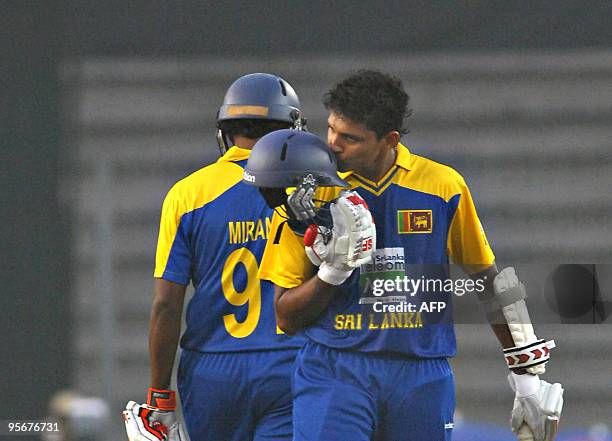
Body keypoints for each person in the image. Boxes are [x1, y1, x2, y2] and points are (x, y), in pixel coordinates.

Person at [248, 70, 564, 441]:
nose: (333, 144)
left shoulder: (443, 186)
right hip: (335, 370)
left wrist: (526, 377)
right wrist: (332, 272)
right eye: (332, 129)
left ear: (389, 139)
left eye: (350, 137)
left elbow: (490, 281)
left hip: (421, 375)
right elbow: (285, 316)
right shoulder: (308, 189)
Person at [123, 73, 307, 441]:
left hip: (212, 371)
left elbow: (166, 306)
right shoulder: (308, 188)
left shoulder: (187, 194)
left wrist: (159, 396)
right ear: (291, 129)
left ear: (225, 130)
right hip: (290, 361)